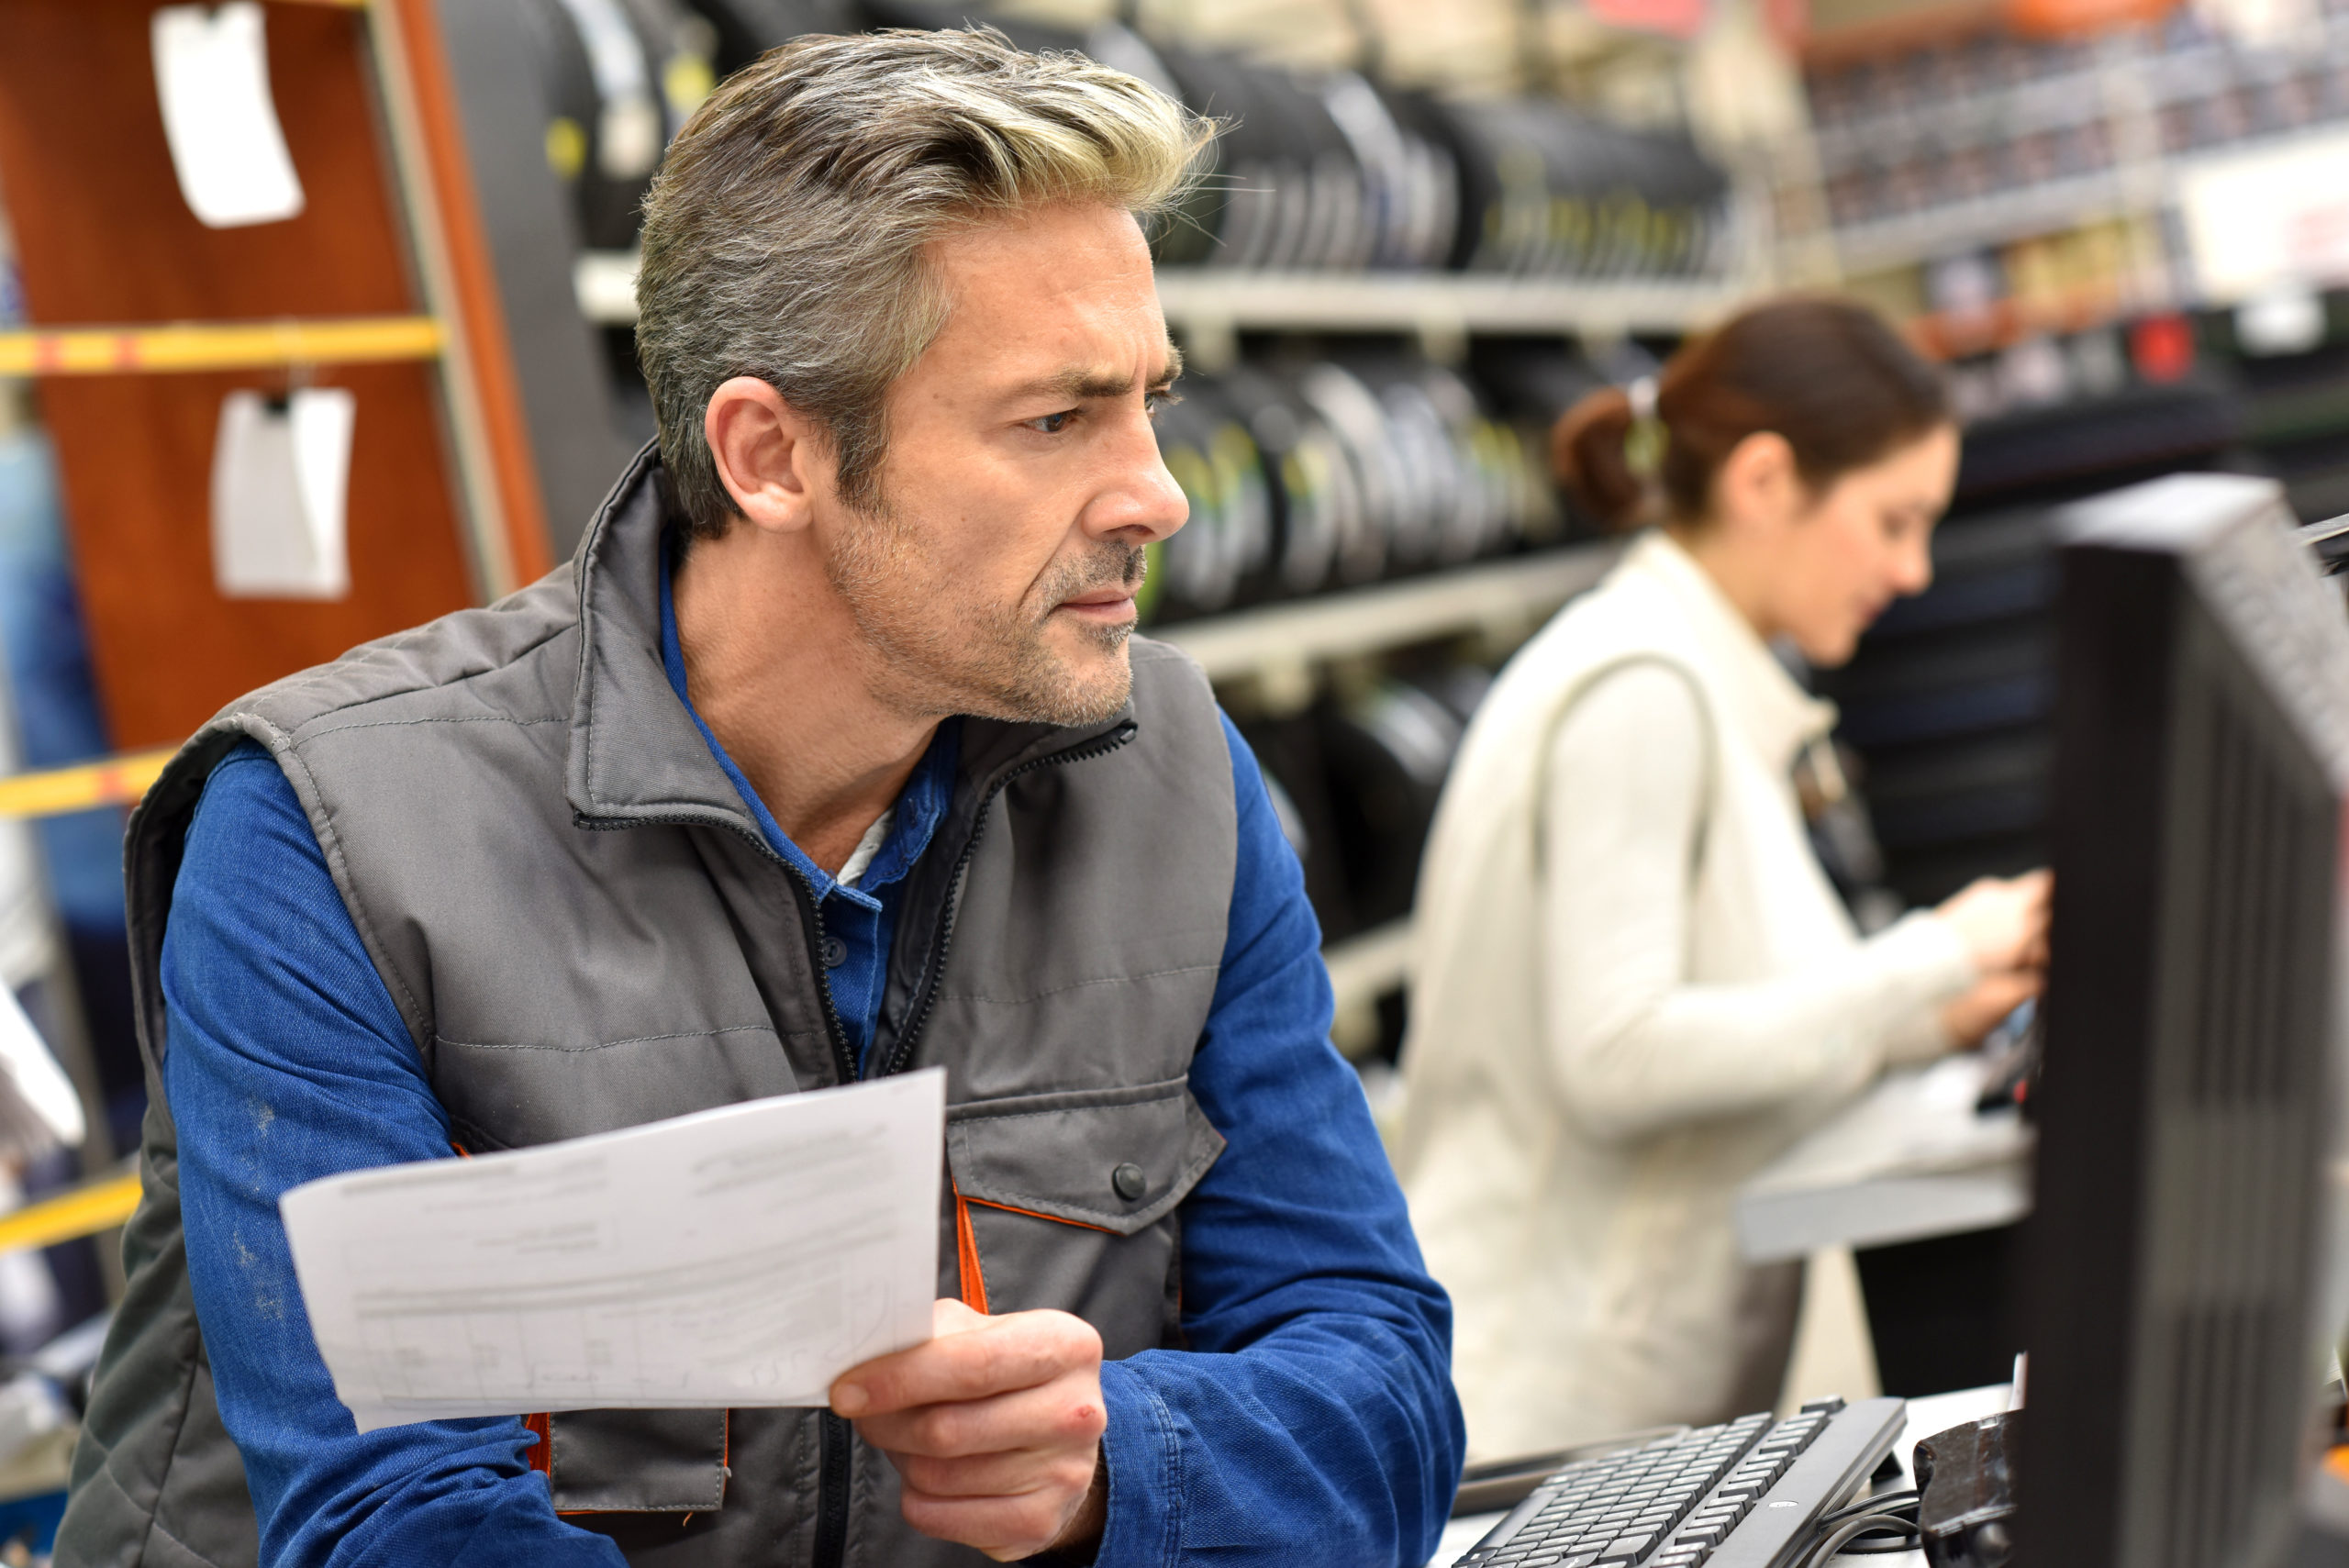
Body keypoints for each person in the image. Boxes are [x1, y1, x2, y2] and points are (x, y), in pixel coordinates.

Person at [56, 30, 1462, 1568]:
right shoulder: (336, 834)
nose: (1158, 492)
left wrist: (1113, 1461)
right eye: (1056, 420)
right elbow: (398, 1519)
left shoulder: (1172, 777)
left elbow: (1380, 1383)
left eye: (1150, 403)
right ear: (769, 453)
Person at [1393, 297, 2050, 1462]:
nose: (1912, 568)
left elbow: (1740, 1030)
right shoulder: (1637, 687)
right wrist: (1933, 954)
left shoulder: (1691, 675)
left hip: (1623, 1418)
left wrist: (1934, 1014)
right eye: (1894, 520)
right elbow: (1621, 1055)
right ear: (1762, 481)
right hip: (1542, 1415)